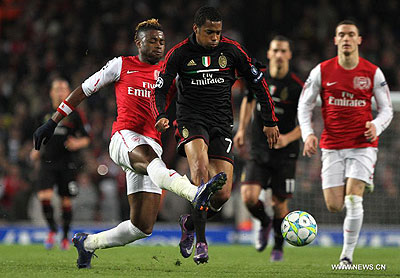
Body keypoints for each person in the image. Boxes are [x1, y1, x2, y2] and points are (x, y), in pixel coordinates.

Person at [33, 19, 226, 269]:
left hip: (151, 145)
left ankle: (87, 243)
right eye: (152, 40)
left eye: (162, 41)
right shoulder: (121, 65)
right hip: (125, 137)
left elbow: (190, 103)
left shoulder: (170, 73)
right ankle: (194, 192)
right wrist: (53, 120)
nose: (158, 45)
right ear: (138, 42)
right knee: (153, 163)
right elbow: (83, 89)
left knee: (142, 227)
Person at [152, 6, 279, 264]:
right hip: (190, 120)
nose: (215, 38)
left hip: (221, 124)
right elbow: (162, 85)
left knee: (221, 194)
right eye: (209, 32)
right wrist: (161, 114)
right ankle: (201, 243)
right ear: (196, 29)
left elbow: (258, 82)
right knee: (200, 173)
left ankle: (189, 224)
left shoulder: (231, 51)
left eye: (218, 32)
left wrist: (269, 119)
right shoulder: (179, 53)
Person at [298, 20, 393, 265]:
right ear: (335, 40)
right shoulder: (322, 71)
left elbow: (387, 110)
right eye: (342, 34)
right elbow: (304, 104)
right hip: (332, 146)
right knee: (334, 205)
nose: (347, 38)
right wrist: (308, 133)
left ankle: (346, 257)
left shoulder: (372, 72)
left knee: (353, 198)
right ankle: (362, 182)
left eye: (351, 34)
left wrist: (377, 125)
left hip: (363, 144)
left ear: (359, 40)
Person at [234, 36, 303, 262]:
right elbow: (248, 101)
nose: (280, 54)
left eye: (284, 50)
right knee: (248, 197)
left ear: (289, 55)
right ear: (270, 54)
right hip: (259, 148)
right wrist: (242, 130)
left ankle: (278, 247)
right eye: (276, 50)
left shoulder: (297, 87)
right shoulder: (258, 79)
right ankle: (263, 221)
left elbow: (307, 122)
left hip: (285, 153)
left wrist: (286, 138)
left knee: (279, 203)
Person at [30, 78, 91, 250]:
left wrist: (77, 143)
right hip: (47, 161)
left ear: (69, 92)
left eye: (64, 88)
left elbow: (87, 137)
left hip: (67, 162)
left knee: (66, 200)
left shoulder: (76, 114)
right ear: (51, 92)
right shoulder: (43, 113)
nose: (60, 91)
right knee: (44, 196)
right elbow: (37, 135)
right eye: (57, 88)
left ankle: (64, 236)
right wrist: (35, 150)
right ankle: (52, 229)